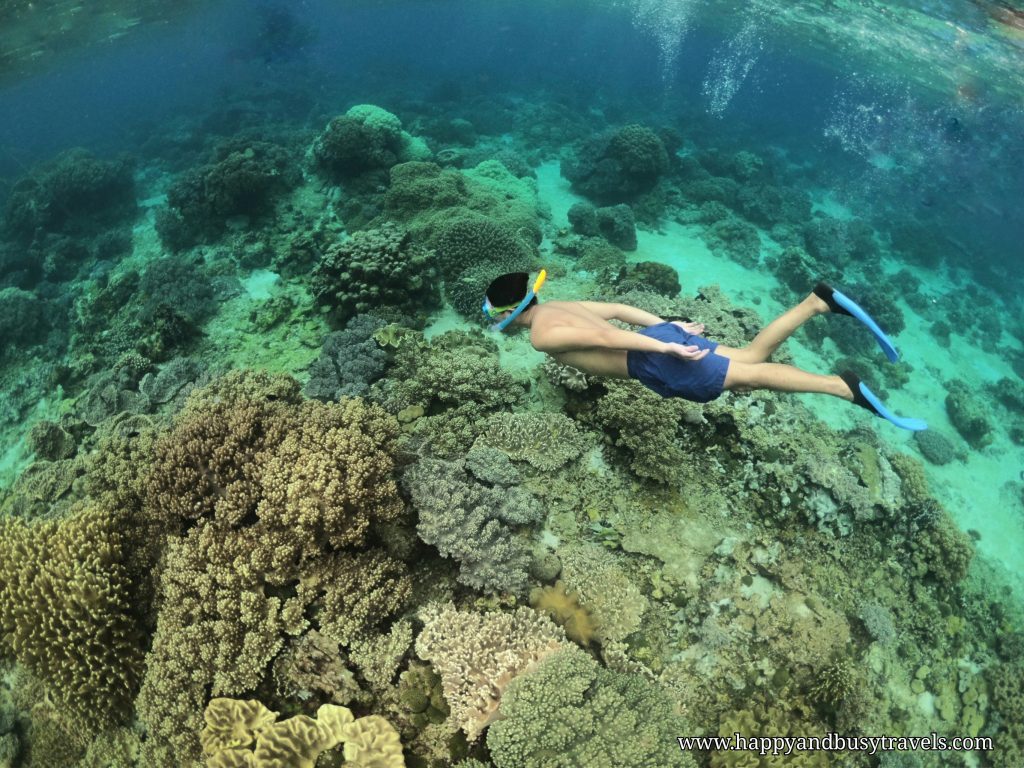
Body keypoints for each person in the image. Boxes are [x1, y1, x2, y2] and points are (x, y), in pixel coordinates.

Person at [481, 271, 926, 431]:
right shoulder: (558, 305)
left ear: (508, 312)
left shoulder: (541, 335)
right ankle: (818, 302)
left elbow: (612, 340)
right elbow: (617, 310)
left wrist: (666, 347)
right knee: (750, 356)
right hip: (659, 341)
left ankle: (842, 388)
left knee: (750, 374)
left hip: (652, 359)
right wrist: (666, 326)